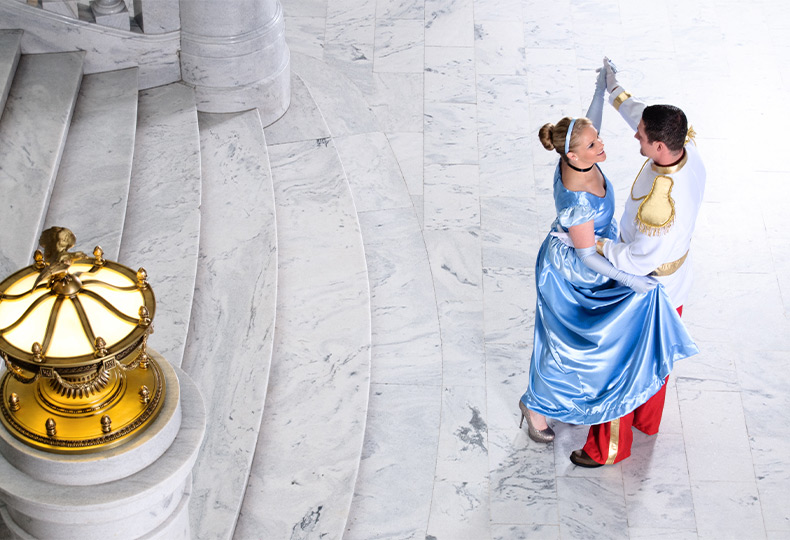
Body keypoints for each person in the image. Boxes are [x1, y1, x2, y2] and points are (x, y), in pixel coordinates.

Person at [517, 65, 699, 465]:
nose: (605, 144)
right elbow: (586, 254)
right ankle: (535, 405)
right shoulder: (579, 200)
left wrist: (604, 91)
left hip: (606, 258)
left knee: (598, 345)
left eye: (597, 139)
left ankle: (596, 405)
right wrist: (630, 282)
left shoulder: (582, 150)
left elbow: (588, 125)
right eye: (594, 143)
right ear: (573, 154)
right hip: (576, 273)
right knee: (568, 346)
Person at [565, 59, 707, 467]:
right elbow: (643, 115)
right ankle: (647, 421)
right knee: (656, 357)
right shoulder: (685, 146)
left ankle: (607, 448)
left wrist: (599, 244)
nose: (635, 137)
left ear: (659, 147)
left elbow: (637, 257)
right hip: (677, 279)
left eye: (642, 137)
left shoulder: (661, 203)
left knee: (619, 367)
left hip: (648, 288)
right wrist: (614, 91)